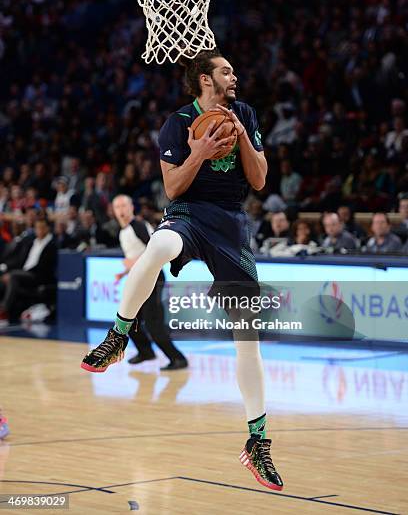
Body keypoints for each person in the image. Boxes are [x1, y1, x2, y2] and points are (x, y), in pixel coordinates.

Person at [81, 49, 283, 491]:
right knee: (158, 246)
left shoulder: (245, 112)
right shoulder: (176, 123)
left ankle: (257, 440)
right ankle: (119, 336)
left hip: (231, 223)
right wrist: (201, 151)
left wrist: (241, 133)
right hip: (189, 212)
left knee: (248, 339)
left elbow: (261, 179)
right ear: (205, 80)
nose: (235, 75)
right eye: (226, 71)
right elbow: (172, 187)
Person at [112, 194, 187, 370]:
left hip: (153, 278)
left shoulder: (137, 225)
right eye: (117, 207)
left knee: (153, 323)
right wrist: (124, 272)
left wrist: (132, 263)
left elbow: (154, 251)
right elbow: (137, 257)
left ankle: (178, 359)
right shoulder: (123, 231)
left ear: (131, 207)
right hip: (140, 278)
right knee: (128, 319)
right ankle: (146, 352)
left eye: (124, 206)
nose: (121, 210)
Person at [0, 216, 57, 324]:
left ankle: (4, 310)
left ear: (47, 229)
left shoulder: (51, 244)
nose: (39, 230)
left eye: (42, 228)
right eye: (37, 228)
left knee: (12, 277)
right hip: (24, 273)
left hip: (37, 275)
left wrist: (14, 273)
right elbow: (22, 262)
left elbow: (44, 267)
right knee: (5, 278)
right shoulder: (32, 242)